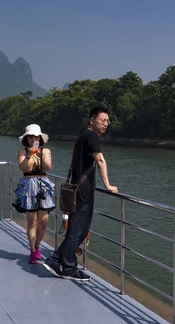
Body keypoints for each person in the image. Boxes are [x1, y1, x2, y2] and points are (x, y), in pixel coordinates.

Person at [44, 106, 118, 281]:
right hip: (83, 192)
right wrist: (107, 184)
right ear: (92, 120)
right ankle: (66, 266)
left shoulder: (83, 135)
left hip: (78, 189)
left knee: (80, 230)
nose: (106, 124)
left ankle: (57, 260)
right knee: (78, 231)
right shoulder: (91, 136)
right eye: (102, 120)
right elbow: (99, 159)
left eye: (108, 121)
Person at [13, 124, 56, 264]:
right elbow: (23, 168)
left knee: (43, 222)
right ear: (27, 138)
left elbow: (48, 167)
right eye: (30, 136)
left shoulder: (46, 151)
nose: (33, 138)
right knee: (31, 222)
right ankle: (32, 250)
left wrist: (40, 154)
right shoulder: (22, 151)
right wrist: (29, 155)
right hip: (28, 185)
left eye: (36, 136)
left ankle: (37, 246)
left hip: (43, 185)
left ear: (40, 138)